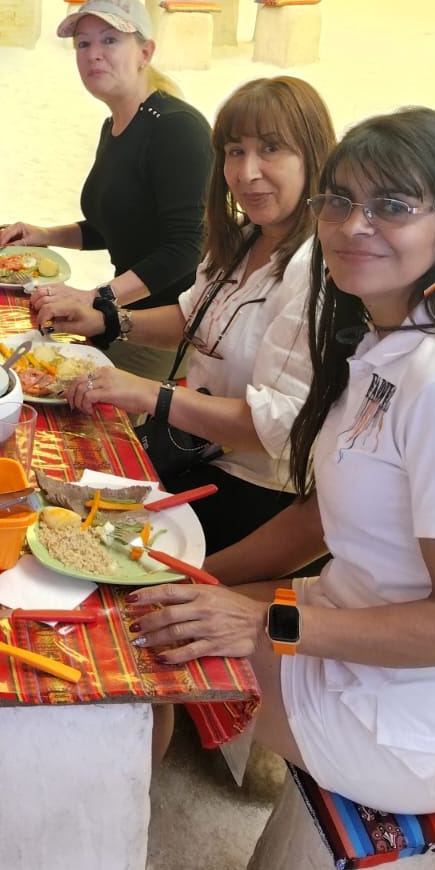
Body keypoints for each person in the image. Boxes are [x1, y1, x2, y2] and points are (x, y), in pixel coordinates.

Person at [131, 107, 435, 814]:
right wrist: (199, 579)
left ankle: (112, 867)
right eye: (339, 201)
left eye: (392, 206)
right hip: (348, 624)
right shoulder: (385, 340)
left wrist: (259, 623)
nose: (353, 225)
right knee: (146, 607)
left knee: (136, 659)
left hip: (408, 724)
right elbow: (319, 516)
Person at [67, 78, 336, 552]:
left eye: (271, 149)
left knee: (97, 546)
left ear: (313, 156)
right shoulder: (243, 238)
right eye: (234, 151)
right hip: (194, 451)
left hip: (262, 489)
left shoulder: (316, 270)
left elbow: (277, 426)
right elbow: (193, 321)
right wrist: (109, 320)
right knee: (66, 485)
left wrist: (152, 394)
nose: (247, 172)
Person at [6, 0, 211, 380]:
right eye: (83, 43)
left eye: (110, 40)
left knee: (57, 384)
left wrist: (98, 298)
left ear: (145, 53)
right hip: (124, 314)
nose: (93, 53)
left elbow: (186, 247)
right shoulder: (116, 125)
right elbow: (116, 225)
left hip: (166, 328)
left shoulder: (176, 128)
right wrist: (43, 235)